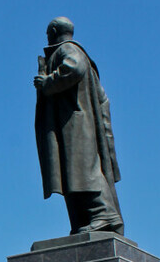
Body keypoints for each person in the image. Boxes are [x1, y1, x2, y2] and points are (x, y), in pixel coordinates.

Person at [34, 17, 124, 235]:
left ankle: (104, 214)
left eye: (48, 32)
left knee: (83, 169)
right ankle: (88, 216)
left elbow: (74, 69)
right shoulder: (67, 51)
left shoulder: (68, 50)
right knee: (73, 172)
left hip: (75, 123)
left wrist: (48, 82)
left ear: (53, 31)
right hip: (71, 122)